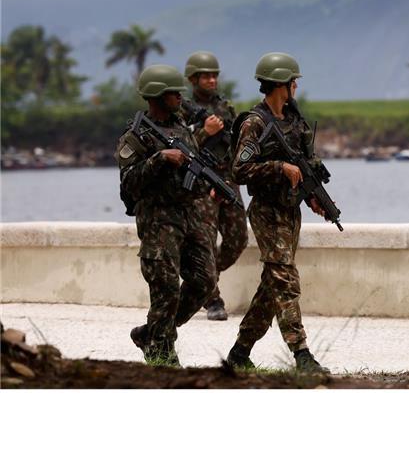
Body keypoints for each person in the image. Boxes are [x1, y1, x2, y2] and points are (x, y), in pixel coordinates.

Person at [224, 52, 330, 374]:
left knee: (272, 285)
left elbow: (304, 166)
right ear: (281, 83)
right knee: (285, 280)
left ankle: (240, 351)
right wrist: (278, 167)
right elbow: (239, 169)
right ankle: (302, 355)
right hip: (267, 213)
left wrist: (312, 197)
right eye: (293, 80)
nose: (296, 86)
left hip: (289, 212)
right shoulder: (254, 123)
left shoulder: (294, 120)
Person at [116, 64, 216, 366]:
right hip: (158, 222)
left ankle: (152, 333)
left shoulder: (182, 128)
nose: (180, 98)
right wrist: (159, 159)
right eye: (174, 93)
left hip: (190, 217)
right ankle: (162, 356)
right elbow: (129, 184)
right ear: (158, 96)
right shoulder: (135, 136)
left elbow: (194, 164)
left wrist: (209, 186)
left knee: (204, 281)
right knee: (166, 290)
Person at [182, 51, 247, 321]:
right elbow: (179, 147)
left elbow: (234, 146)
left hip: (226, 181)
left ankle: (205, 277)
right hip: (199, 183)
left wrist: (234, 178)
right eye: (205, 76)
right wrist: (203, 131)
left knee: (237, 239)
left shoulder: (225, 107)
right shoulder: (181, 108)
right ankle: (212, 300)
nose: (211, 80)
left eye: (214, 75)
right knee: (205, 244)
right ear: (193, 79)